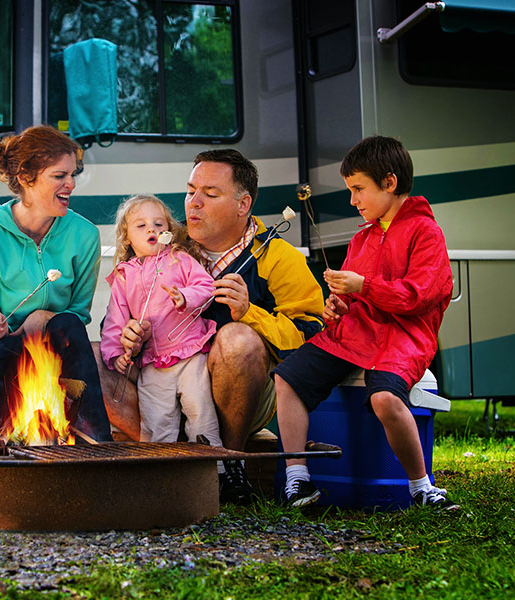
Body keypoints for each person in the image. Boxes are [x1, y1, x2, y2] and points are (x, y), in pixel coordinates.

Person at [97, 149, 326, 504]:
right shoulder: (165, 247)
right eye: (191, 191)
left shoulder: (278, 257)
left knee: (236, 338)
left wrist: (250, 313)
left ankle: (227, 466)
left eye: (210, 194)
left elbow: (312, 335)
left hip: (239, 396)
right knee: (93, 358)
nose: (194, 203)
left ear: (243, 204)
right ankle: (165, 459)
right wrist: (130, 336)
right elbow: (122, 307)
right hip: (160, 384)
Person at [273, 135, 458, 510]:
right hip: (354, 335)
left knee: (386, 399)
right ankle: (297, 478)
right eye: (350, 190)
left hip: (403, 339)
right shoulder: (362, 239)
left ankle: (422, 487)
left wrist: (364, 285)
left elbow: (417, 296)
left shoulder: (427, 233)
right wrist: (339, 306)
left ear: (389, 183)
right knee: (287, 377)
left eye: (359, 189)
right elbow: (357, 299)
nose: (353, 200)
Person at [0, 124, 112, 445]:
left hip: (50, 362)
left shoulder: (84, 235)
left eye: (73, 174)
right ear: (26, 177)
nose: (71, 184)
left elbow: (76, 317)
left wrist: (40, 322)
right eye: (59, 176)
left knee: (65, 323)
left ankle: (100, 445)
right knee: (11, 351)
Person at [100, 195, 221, 446]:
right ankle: (161, 473)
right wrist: (115, 353)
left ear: (169, 230)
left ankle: (214, 468)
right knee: (156, 423)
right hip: (153, 362)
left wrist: (185, 297)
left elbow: (206, 286)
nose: (151, 230)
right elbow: (115, 319)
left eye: (158, 224)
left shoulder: (180, 259)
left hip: (190, 353)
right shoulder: (124, 276)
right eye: (141, 225)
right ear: (127, 237)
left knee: (200, 411)